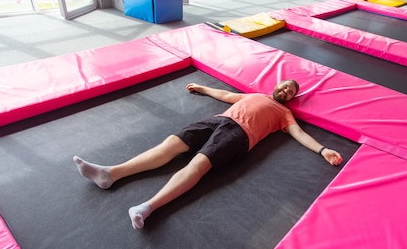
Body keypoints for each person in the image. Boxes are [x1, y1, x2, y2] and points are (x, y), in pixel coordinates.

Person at [74, 79, 343, 230]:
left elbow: (298, 134)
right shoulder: (255, 94)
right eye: (284, 86)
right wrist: (202, 88)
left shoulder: (284, 114)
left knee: (198, 165)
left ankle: (147, 207)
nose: (285, 91)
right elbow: (226, 95)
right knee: (169, 146)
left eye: (290, 92)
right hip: (217, 120)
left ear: (292, 98)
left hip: (239, 136)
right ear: (277, 85)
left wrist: (322, 149)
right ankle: (110, 173)